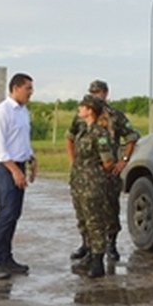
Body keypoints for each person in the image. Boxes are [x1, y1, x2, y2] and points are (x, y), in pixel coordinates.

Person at [66, 80, 139, 261]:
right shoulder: (81, 117)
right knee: (85, 211)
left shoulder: (115, 116)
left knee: (110, 209)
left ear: (105, 93)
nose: (94, 95)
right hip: (85, 173)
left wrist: (123, 161)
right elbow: (69, 137)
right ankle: (88, 245)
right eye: (91, 92)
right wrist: (74, 162)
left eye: (97, 92)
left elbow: (131, 137)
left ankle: (111, 245)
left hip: (108, 173)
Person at [0, 73, 37, 280]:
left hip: (19, 164)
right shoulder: (1, 112)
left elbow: (21, 140)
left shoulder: (23, 112)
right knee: (6, 213)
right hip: (4, 168)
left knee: (14, 213)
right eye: (28, 88)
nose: (31, 92)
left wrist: (31, 159)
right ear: (15, 88)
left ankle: (6, 257)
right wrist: (15, 171)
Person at [68, 94, 115, 278]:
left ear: (90, 111)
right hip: (79, 183)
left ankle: (97, 261)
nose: (79, 109)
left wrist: (94, 171)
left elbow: (108, 161)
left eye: (82, 106)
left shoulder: (99, 133)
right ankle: (88, 255)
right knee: (83, 221)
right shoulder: (83, 131)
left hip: (92, 184)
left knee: (95, 222)